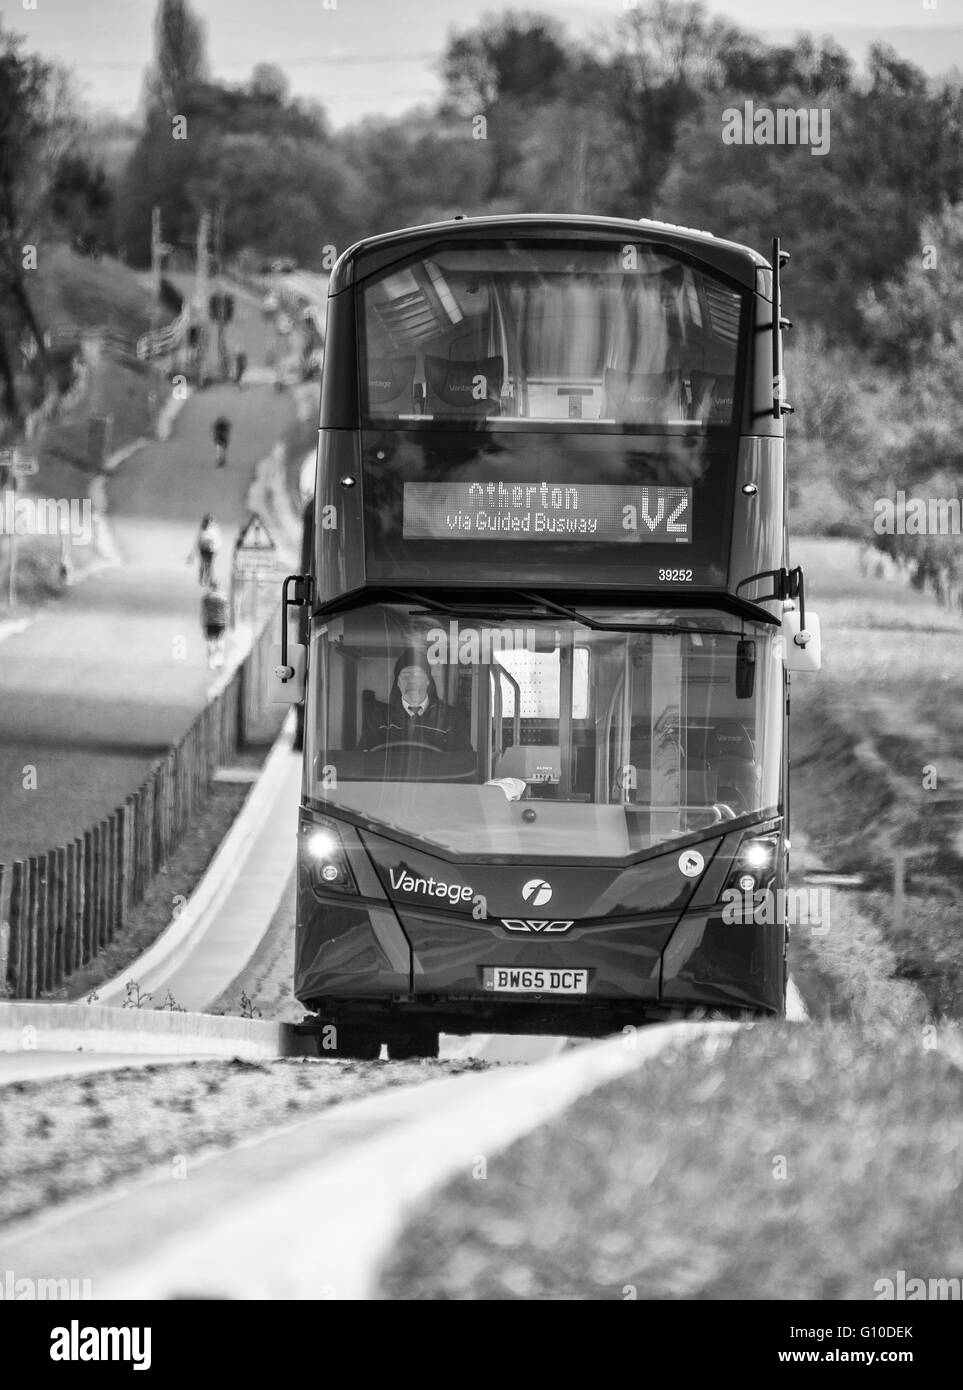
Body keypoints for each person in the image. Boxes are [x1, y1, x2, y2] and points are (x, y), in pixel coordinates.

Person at [357, 647, 472, 753]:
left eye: (418, 675)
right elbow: (363, 759)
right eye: (405, 675)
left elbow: (464, 763)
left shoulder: (453, 719)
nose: (411, 681)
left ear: (428, 681)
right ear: (397, 683)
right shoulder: (378, 719)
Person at [201, 579, 229, 670]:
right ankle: (219, 659)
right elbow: (227, 611)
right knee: (220, 640)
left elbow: (203, 611)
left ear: (211, 587)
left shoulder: (206, 598)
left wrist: (202, 622)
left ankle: (210, 662)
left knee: (210, 642)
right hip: (221, 622)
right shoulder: (223, 598)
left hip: (209, 622)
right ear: (218, 587)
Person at [186, 513, 222, 586]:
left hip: (212, 549)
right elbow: (197, 541)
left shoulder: (215, 529)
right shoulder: (202, 529)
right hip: (203, 548)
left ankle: (209, 579)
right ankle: (202, 579)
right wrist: (192, 555)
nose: (208, 522)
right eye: (207, 520)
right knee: (203, 563)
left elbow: (218, 540)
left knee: (210, 565)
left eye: (209, 520)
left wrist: (215, 547)